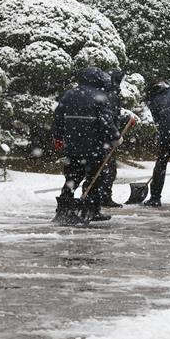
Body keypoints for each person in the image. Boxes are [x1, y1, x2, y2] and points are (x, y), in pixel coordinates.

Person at [52, 67, 122, 223]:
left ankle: (64, 207)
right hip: (94, 146)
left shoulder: (69, 95)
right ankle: (91, 209)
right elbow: (106, 121)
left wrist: (58, 136)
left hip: (72, 145)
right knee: (95, 178)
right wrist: (115, 136)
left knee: (72, 177)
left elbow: (58, 117)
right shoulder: (99, 96)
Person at [99, 68, 127, 208]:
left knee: (103, 169)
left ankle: (99, 197)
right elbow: (108, 117)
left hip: (103, 136)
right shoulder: (111, 94)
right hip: (106, 138)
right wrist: (114, 134)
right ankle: (103, 197)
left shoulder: (106, 92)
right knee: (107, 169)